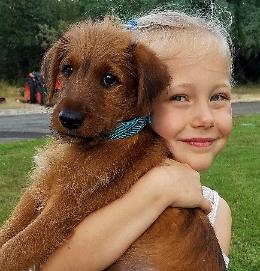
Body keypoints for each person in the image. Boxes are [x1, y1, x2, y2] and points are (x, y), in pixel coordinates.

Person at [42, 10, 233, 271]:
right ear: (135, 98)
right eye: (179, 97)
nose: (205, 118)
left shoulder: (216, 210)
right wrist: (157, 191)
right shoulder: (97, 183)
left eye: (219, 96)